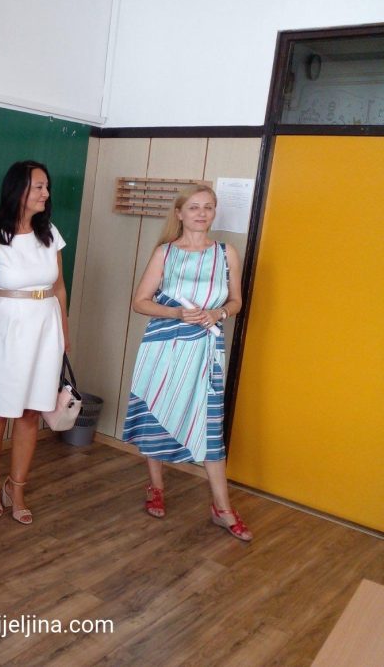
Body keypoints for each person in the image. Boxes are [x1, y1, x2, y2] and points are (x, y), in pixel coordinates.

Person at [121, 185, 252, 541]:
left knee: (210, 425)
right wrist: (177, 313)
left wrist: (219, 312)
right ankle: (156, 486)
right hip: (163, 347)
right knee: (156, 410)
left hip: (206, 350)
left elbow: (237, 301)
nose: (201, 213)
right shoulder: (165, 253)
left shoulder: (226, 253)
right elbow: (140, 301)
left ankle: (222, 508)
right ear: (179, 213)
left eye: (208, 207)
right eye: (194, 207)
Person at [0, 160, 69, 525]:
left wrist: (64, 336)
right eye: (39, 186)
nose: (46, 193)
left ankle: (16, 487)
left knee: (31, 412)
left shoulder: (50, 234)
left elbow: (59, 289)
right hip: (4, 333)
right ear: (18, 190)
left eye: (47, 187)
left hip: (45, 332)